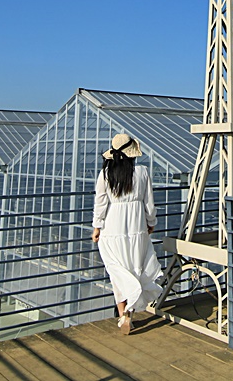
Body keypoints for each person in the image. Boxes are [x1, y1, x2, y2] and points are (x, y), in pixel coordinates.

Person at [91, 133, 163, 335]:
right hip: (136, 228)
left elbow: (101, 203)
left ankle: (123, 313)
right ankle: (128, 312)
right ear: (132, 154)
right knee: (135, 268)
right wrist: (151, 223)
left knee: (118, 272)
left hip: (112, 229)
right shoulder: (142, 173)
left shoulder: (106, 174)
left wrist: (97, 227)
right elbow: (149, 203)